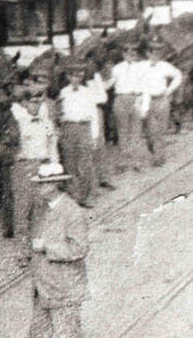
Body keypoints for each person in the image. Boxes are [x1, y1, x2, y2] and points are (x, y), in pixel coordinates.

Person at [14, 162, 88, 338]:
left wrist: (46, 247)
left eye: (45, 184)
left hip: (64, 285)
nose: (40, 188)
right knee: (38, 331)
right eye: (40, 183)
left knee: (67, 333)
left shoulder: (73, 211)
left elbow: (79, 248)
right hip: (42, 283)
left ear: (57, 184)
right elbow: (31, 236)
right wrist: (25, 254)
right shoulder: (41, 208)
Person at [8, 75, 59, 240]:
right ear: (24, 103)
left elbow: (52, 146)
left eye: (38, 102)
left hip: (43, 166)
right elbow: (10, 145)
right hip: (24, 167)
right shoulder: (19, 123)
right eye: (32, 102)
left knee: (41, 206)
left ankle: (39, 243)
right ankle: (22, 250)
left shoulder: (46, 123)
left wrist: (55, 167)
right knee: (22, 208)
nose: (35, 106)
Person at [56, 60, 106, 206]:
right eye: (73, 76)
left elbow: (93, 115)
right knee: (70, 163)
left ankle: (87, 196)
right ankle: (75, 196)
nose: (76, 79)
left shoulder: (88, 92)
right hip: (69, 128)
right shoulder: (63, 92)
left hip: (84, 128)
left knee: (85, 163)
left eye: (79, 76)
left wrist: (95, 135)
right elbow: (59, 113)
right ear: (68, 77)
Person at [109, 38, 151, 172]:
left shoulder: (143, 66)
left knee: (136, 132)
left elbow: (146, 86)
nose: (130, 53)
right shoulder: (116, 68)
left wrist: (144, 106)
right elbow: (110, 84)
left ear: (137, 52)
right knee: (122, 132)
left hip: (135, 98)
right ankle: (122, 162)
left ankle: (136, 162)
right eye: (126, 50)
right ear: (122, 53)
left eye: (133, 50)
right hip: (120, 98)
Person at [143, 39, 183, 166]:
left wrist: (169, 90)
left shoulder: (165, 66)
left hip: (162, 100)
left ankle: (159, 157)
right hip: (147, 101)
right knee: (150, 132)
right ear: (147, 53)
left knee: (160, 130)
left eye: (158, 53)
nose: (155, 55)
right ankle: (154, 151)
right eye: (153, 53)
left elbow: (178, 75)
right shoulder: (141, 66)